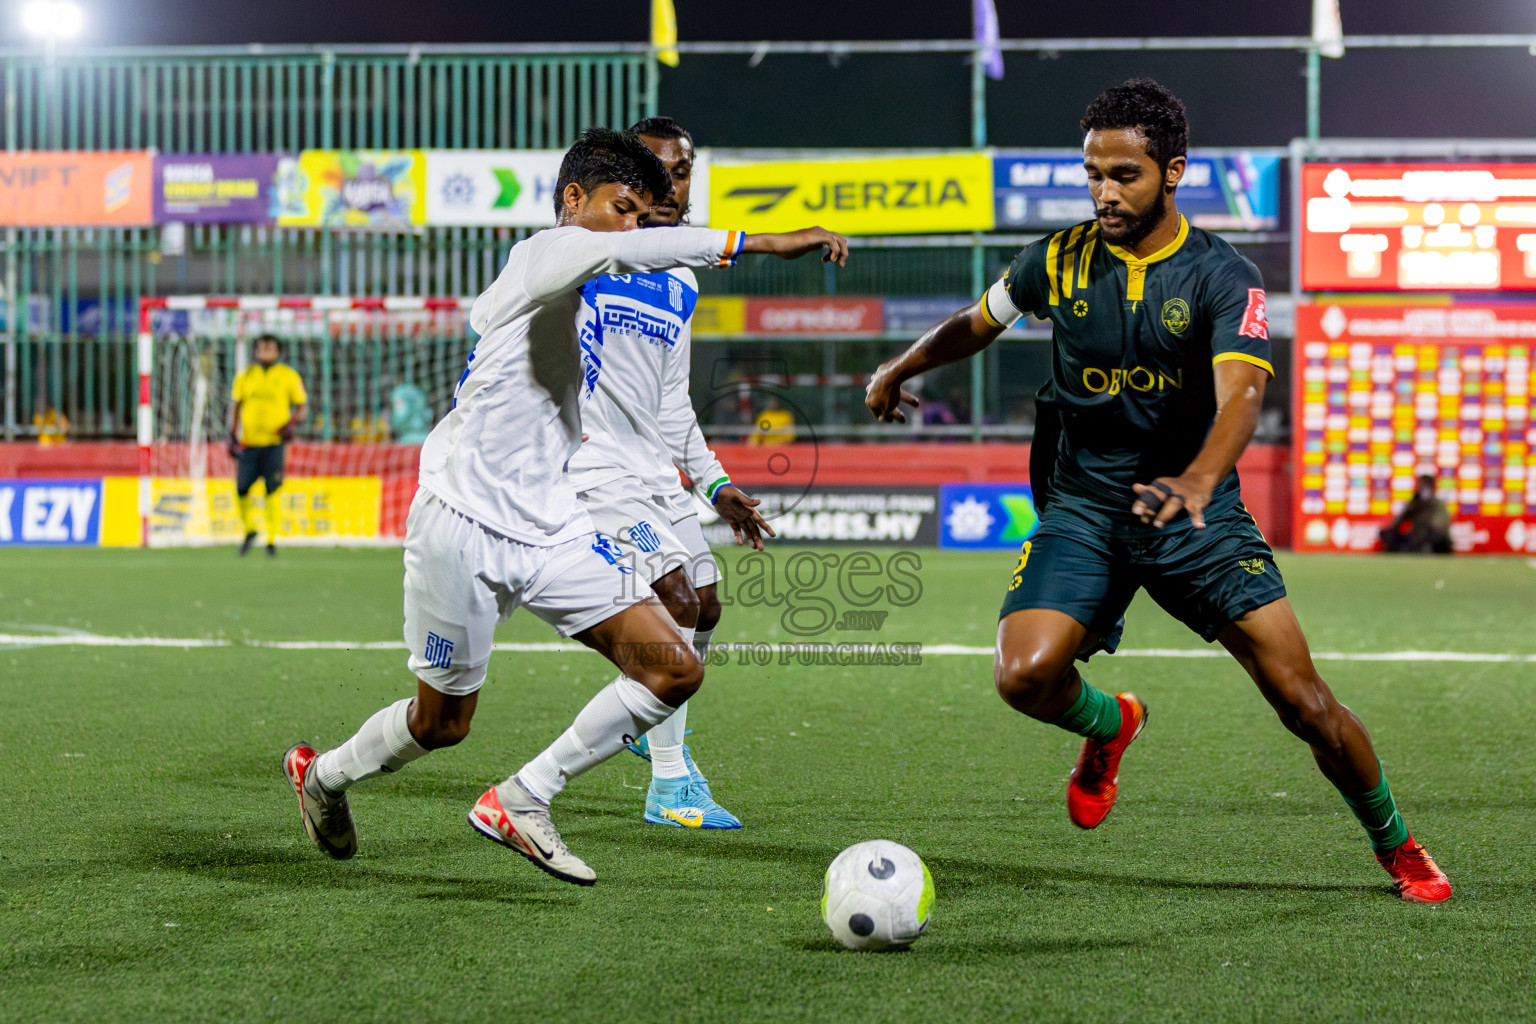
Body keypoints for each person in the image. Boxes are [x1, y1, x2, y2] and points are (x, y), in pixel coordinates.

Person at [864, 79, 1450, 903]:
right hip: (1083, 507)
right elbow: (977, 320)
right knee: (1023, 676)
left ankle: (1397, 842)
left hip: (1195, 514)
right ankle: (1112, 724)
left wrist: (1202, 478)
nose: (1105, 192)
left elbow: (1242, 394)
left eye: (1125, 175)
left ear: (1173, 171)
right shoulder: (1055, 259)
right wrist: (898, 368)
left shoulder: (1222, 275)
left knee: (1303, 701)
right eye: (1093, 173)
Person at [282, 126, 848, 886]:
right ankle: (325, 779)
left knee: (673, 666)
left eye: (645, 211)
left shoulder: (603, 283)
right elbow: (628, 250)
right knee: (440, 724)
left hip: (555, 528)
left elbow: (658, 371)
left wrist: (708, 479)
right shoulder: (542, 254)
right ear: (573, 199)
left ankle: (524, 796)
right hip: (463, 523)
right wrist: (770, 242)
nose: (633, 225)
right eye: (622, 207)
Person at [569, 116, 773, 830]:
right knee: (675, 599)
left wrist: (716, 485)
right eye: (653, 172)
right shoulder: (584, 256)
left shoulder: (679, 281)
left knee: (707, 604)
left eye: (680, 172)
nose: (669, 185)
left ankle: (648, 705)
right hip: (590, 466)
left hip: (653, 469)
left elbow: (669, 400)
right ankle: (670, 781)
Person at [228, 334, 307, 557]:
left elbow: (302, 408)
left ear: (278, 352)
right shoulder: (245, 376)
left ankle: (271, 540)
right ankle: (250, 530)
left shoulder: (288, 376)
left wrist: (291, 423)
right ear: (255, 351)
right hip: (249, 443)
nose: (264, 352)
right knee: (242, 488)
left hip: (275, 444)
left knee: (272, 490)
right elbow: (235, 406)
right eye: (261, 348)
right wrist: (231, 434)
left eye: (270, 349)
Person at [1380, 474, 1452, 554]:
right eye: (1421, 485)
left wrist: (1429, 506)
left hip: (1432, 538)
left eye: (1426, 485)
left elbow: (1440, 527)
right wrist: (1411, 506)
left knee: (1438, 539)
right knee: (1390, 535)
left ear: (1432, 487)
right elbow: (1394, 524)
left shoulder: (1438, 504)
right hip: (1416, 537)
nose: (1423, 489)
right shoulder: (1415, 503)